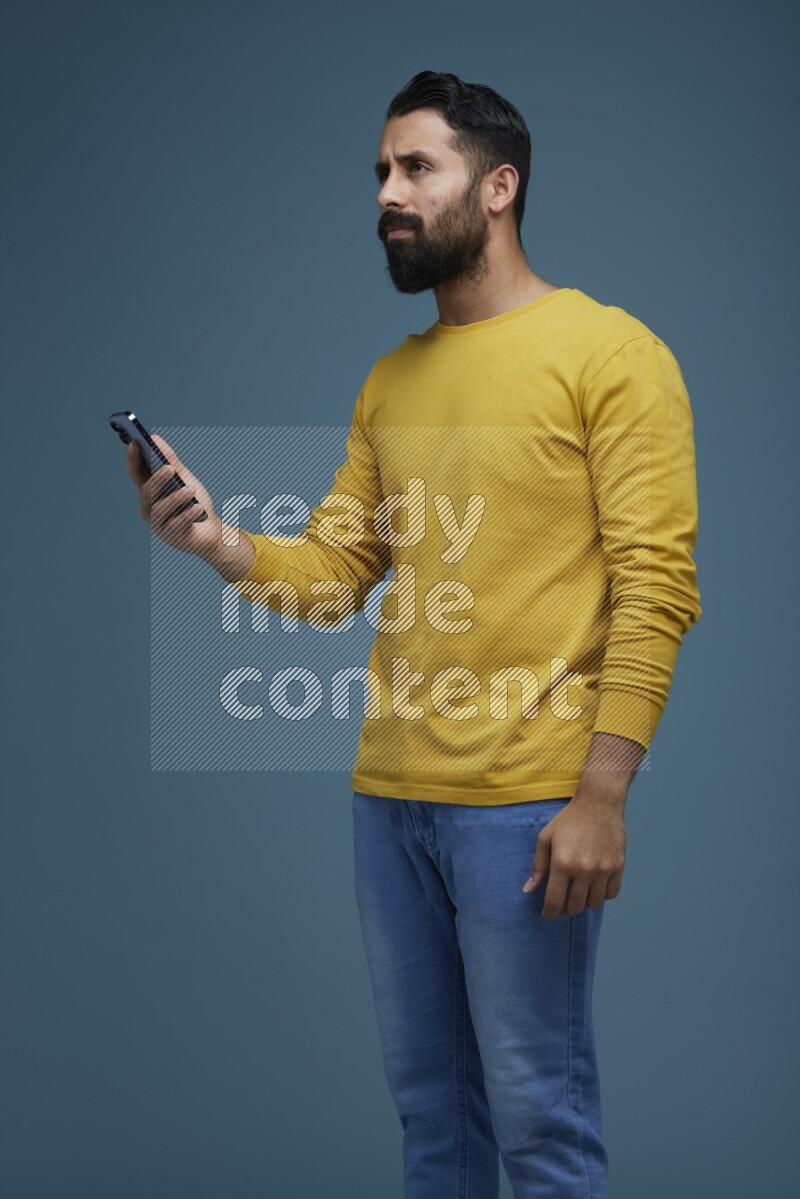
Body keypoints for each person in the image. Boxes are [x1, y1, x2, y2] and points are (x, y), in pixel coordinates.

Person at [126, 70, 702, 1199]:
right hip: (389, 802)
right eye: (380, 172)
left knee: (538, 1117)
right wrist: (215, 542)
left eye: (414, 168)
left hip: (528, 803)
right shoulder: (391, 378)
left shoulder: (609, 352)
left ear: (497, 187)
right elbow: (341, 573)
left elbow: (655, 584)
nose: (386, 192)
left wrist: (600, 794)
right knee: (433, 1121)